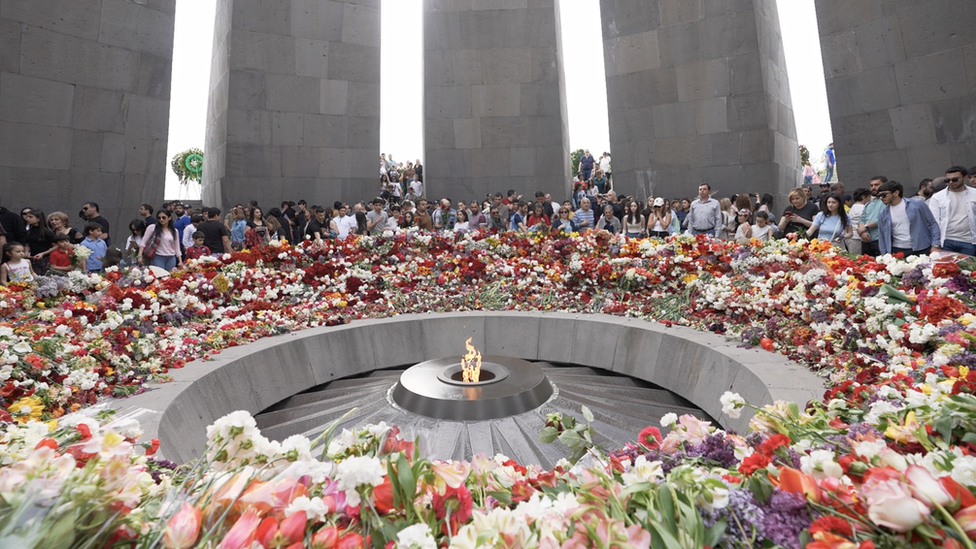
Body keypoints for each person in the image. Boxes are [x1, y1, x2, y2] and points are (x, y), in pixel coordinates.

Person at [876, 180, 940, 257]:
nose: (881, 198)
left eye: (884, 195)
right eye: (879, 195)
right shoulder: (883, 213)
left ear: (896, 193)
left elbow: (932, 223)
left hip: (922, 247)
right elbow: (882, 235)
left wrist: (935, 245)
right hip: (898, 250)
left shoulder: (917, 204)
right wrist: (884, 255)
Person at [928, 166, 976, 256]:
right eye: (947, 180)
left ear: (965, 178)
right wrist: (935, 244)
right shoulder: (937, 197)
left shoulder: (974, 193)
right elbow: (934, 222)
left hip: (969, 241)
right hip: (946, 241)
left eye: (955, 179)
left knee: (968, 268)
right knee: (946, 269)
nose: (950, 182)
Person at [856, 176, 887, 257]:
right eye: (871, 185)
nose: (873, 187)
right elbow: (861, 219)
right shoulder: (868, 204)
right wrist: (863, 232)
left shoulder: (887, 202)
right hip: (866, 241)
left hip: (880, 240)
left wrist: (865, 227)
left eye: (877, 185)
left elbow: (882, 218)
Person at [23, 209, 54, 275]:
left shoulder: (46, 232)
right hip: (32, 259)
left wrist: (43, 253)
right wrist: (26, 251)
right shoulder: (28, 231)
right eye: (27, 217)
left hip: (45, 260)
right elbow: (27, 244)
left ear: (38, 219)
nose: (27, 219)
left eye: (30, 217)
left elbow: (56, 245)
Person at [846, 188, 871, 256]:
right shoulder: (862, 208)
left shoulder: (853, 206)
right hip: (857, 238)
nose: (870, 199)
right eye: (869, 196)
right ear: (863, 197)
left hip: (852, 237)